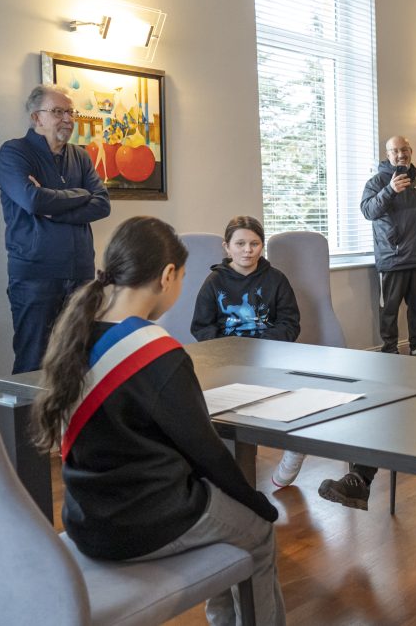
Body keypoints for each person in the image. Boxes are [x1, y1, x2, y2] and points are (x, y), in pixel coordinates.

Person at [30, 216, 285, 624]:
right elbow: (206, 451)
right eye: (181, 277)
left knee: (230, 514)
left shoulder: (74, 337)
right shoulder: (157, 353)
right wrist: (258, 504)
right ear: (168, 275)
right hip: (147, 520)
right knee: (258, 530)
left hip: (85, 516)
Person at [0, 84, 112, 373]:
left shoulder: (80, 156)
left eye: (70, 112)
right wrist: (81, 194)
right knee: (33, 362)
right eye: (58, 112)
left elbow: (102, 204)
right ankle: (29, 408)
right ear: (36, 117)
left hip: (81, 275)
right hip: (35, 276)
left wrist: (53, 209)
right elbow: (32, 200)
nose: (68, 119)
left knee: (78, 361)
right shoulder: (14, 153)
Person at [189, 216, 306, 489]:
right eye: (240, 244)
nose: (247, 250)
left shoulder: (276, 279)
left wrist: (260, 348)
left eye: (254, 244)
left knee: (295, 395)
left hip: (269, 357)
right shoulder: (214, 282)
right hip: (225, 359)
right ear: (227, 247)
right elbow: (201, 326)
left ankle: (295, 444)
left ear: (262, 246)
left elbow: (290, 323)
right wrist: (229, 351)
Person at [361, 135, 416, 356]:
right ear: (388, 155)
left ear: (410, 151)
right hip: (393, 260)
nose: (400, 154)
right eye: (395, 151)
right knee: (389, 312)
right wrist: (390, 191)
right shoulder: (376, 183)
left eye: (404, 149)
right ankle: (390, 352)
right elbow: (368, 211)